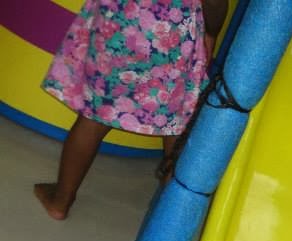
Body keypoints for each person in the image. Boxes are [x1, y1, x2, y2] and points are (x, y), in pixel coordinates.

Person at [33, 0, 227, 220]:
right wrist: (211, 33)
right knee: (176, 126)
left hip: (119, 19)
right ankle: (167, 220)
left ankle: (60, 201)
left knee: (94, 117)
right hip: (173, 32)